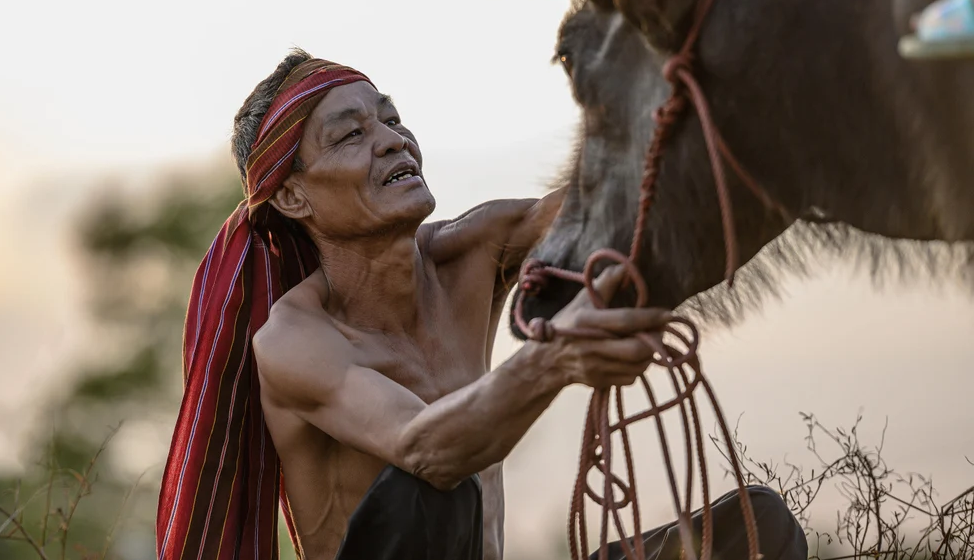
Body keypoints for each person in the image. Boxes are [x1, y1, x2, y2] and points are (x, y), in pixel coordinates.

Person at [155, 51, 807, 560]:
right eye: (351, 134)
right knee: (431, 497)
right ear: (293, 198)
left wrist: (769, 141)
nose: (392, 139)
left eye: (390, 116)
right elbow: (428, 449)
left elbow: (629, 212)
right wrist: (555, 360)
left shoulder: (477, 250)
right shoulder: (294, 341)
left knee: (757, 527)